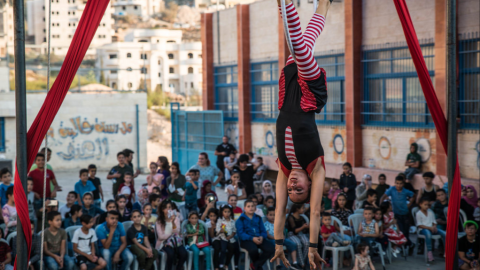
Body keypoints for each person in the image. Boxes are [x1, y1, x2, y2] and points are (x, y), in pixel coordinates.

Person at [236, 200, 274, 270]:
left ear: (255, 207)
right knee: (253, 250)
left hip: (259, 238)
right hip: (247, 240)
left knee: (271, 248)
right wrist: (252, 238)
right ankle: (258, 267)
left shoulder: (258, 218)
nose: (251, 208)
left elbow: (263, 231)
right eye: (248, 206)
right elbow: (241, 234)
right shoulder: (241, 219)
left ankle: (255, 264)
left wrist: (262, 236)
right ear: (245, 208)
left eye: (252, 206)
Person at [380, 176, 415, 250]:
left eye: (400, 183)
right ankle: (406, 246)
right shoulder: (392, 189)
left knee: (406, 232)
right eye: (397, 183)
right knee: (400, 231)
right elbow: (383, 196)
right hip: (396, 214)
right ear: (395, 183)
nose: (398, 185)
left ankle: (408, 246)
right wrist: (380, 207)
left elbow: (413, 195)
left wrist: (409, 204)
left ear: (403, 184)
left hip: (405, 214)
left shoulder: (405, 191)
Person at [155, 200, 188, 270]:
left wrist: (173, 222)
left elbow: (177, 231)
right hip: (163, 242)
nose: (168, 209)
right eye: (166, 208)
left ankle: (178, 268)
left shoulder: (176, 219)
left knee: (184, 253)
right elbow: (160, 236)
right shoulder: (159, 221)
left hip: (175, 241)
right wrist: (171, 235)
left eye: (169, 207)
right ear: (162, 210)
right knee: (170, 253)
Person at [416, 197, 446, 262]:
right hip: (423, 230)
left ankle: (446, 251)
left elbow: (434, 222)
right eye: (425, 204)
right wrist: (430, 228)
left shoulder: (430, 212)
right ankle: (429, 252)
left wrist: (434, 227)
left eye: (428, 205)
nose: (427, 206)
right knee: (428, 234)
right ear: (420, 204)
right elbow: (419, 225)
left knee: (445, 234)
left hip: (432, 228)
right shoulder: (418, 213)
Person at [215, 204, 240, 270]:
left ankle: (228, 264)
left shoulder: (232, 221)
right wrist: (221, 230)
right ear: (222, 212)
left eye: (228, 211)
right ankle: (220, 264)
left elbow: (234, 231)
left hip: (231, 239)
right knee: (223, 250)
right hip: (223, 238)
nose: (227, 213)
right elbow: (217, 229)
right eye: (225, 212)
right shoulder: (220, 220)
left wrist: (231, 236)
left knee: (234, 249)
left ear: (231, 212)